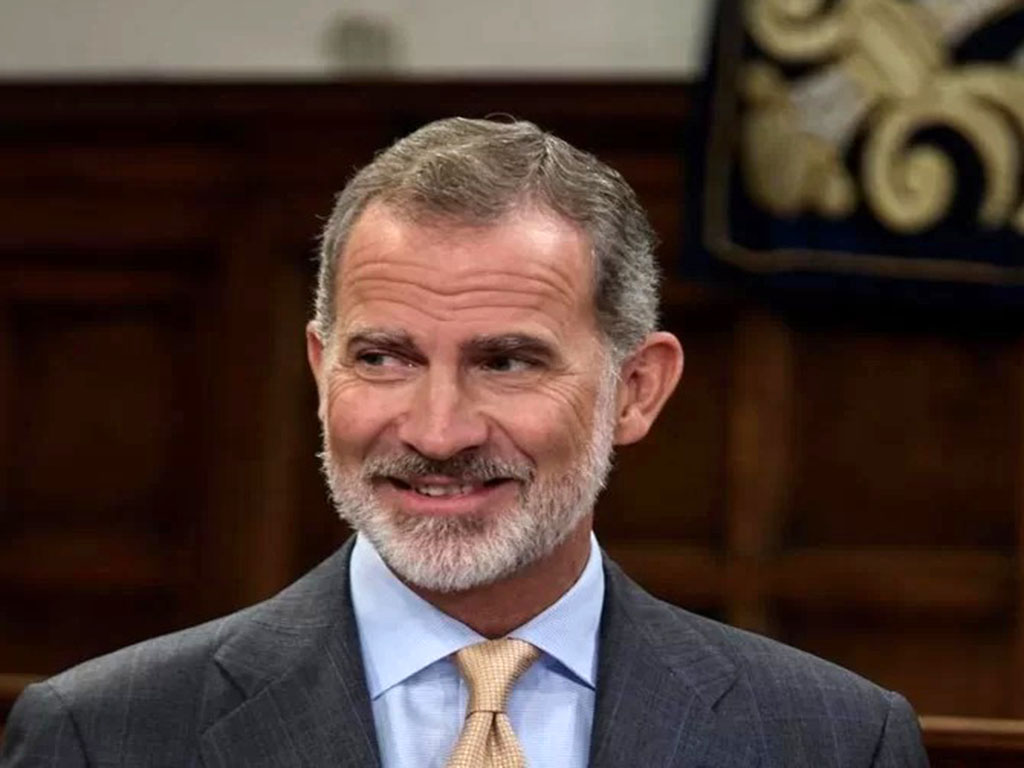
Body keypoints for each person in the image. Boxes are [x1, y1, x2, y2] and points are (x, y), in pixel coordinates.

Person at [0, 117, 928, 767]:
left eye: (507, 362)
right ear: (322, 369)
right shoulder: (103, 736)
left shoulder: (834, 741)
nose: (437, 431)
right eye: (383, 358)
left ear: (636, 390)